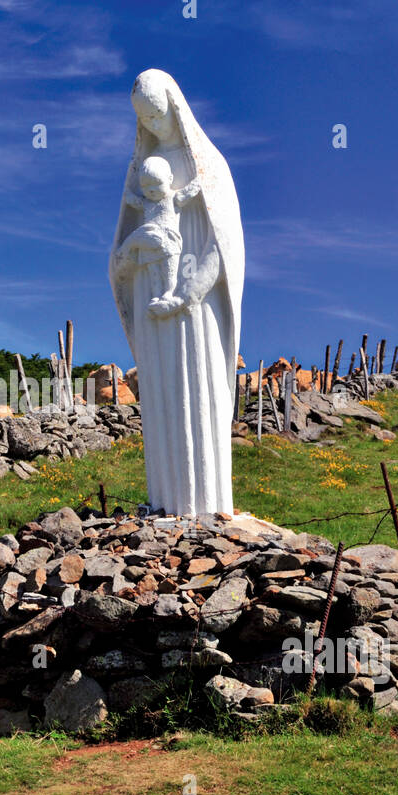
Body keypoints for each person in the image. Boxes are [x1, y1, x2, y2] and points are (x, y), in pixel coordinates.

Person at [109, 68, 244, 517]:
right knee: (164, 398)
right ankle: (165, 503)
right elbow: (122, 247)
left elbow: (223, 244)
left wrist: (192, 289)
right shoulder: (140, 173)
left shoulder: (208, 166)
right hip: (151, 295)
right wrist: (127, 259)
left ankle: (208, 508)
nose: (152, 124)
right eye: (143, 119)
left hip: (194, 303)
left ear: (176, 106)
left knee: (197, 393)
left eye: (158, 114)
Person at [115, 155, 202, 319]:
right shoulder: (146, 202)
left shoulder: (173, 198)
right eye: (146, 187)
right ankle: (156, 294)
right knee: (153, 270)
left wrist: (200, 179)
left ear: (170, 179)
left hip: (168, 240)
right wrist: (128, 191)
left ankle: (169, 292)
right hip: (148, 243)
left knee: (169, 269)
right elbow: (133, 201)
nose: (151, 190)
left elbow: (189, 192)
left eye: (157, 184)